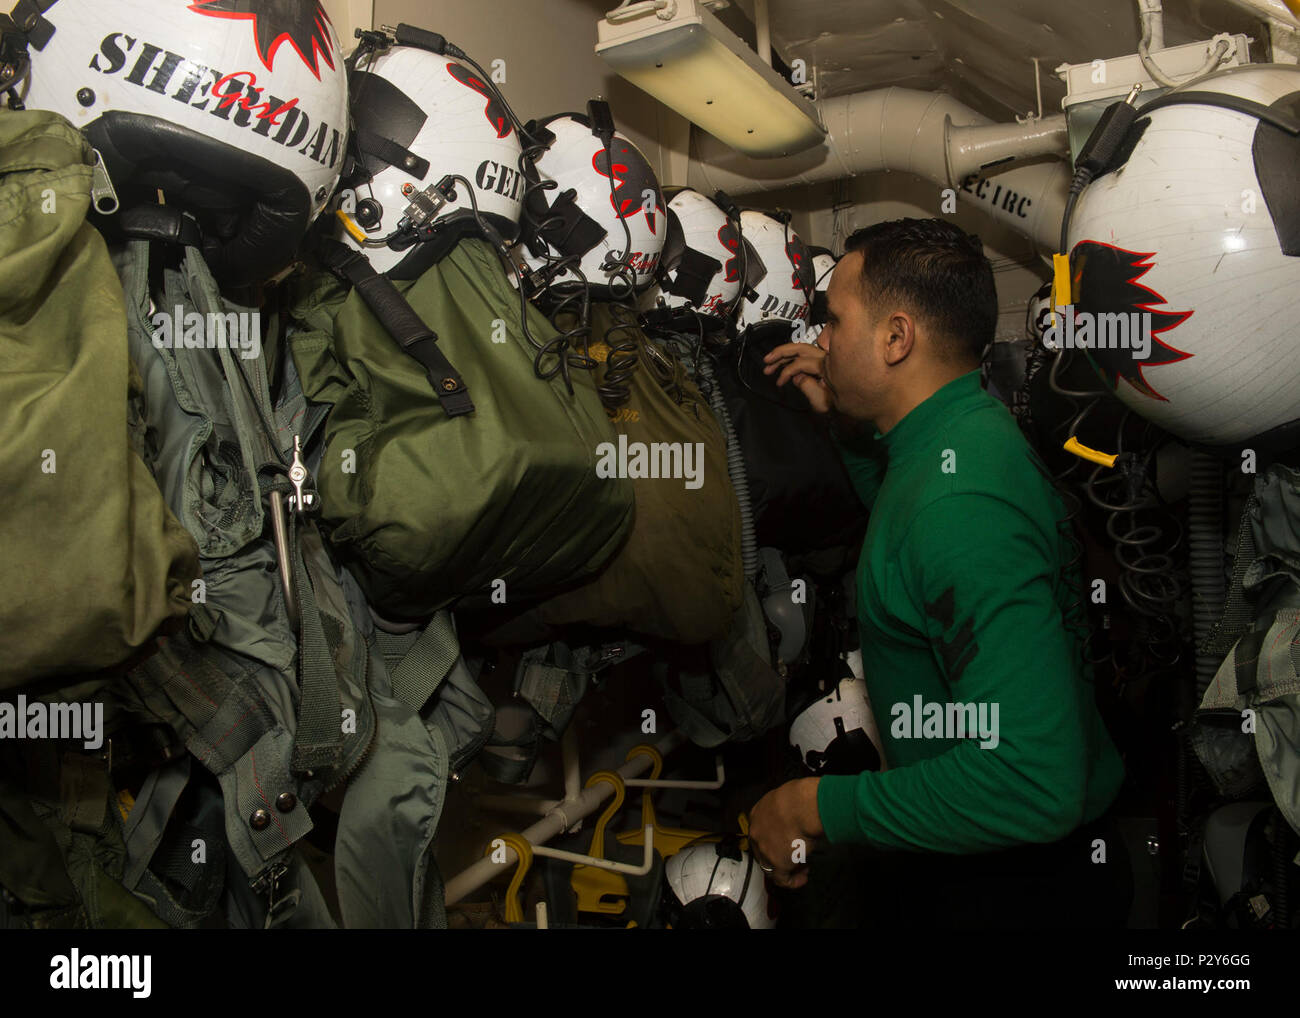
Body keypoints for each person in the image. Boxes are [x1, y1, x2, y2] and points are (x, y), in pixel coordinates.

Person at [748, 218, 1131, 929]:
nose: (821, 340)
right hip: (1006, 857)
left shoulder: (958, 505)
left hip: (1010, 884)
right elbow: (909, 522)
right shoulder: (963, 436)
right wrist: (845, 425)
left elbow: (1030, 778)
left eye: (834, 320)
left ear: (896, 338)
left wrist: (816, 806)